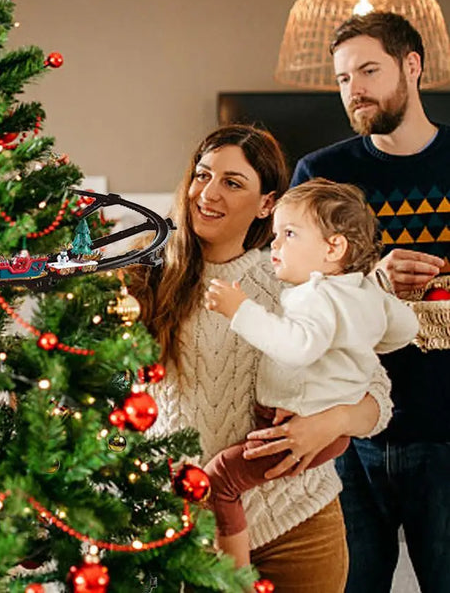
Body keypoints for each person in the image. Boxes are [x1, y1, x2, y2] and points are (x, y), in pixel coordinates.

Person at [132, 124, 394, 592]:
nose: (208, 193)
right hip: (189, 531)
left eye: (233, 183)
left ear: (267, 204)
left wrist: (329, 424)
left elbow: (378, 397)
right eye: (202, 174)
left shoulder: (297, 285)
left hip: (298, 526)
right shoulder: (144, 280)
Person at [290, 11, 450, 592]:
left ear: (412, 67)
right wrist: (370, 282)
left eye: (367, 70)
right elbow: (291, 294)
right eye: (341, 78)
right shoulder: (321, 175)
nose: (352, 89)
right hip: (348, 432)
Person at [200, 178, 418, 569]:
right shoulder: (364, 290)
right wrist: (362, 336)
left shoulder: (316, 294)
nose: (276, 245)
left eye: (289, 234)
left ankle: (232, 576)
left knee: (220, 481)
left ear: (333, 248)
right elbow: (405, 329)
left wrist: (240, 310)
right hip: (324, 431)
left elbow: (297, 347)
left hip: (293, 428)